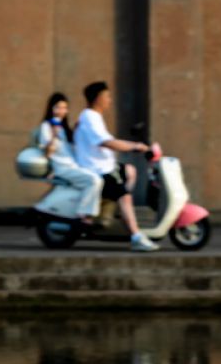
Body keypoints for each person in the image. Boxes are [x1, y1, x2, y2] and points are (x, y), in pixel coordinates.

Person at [72, 81, 158, 252]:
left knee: (130, 171)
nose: (110, 100)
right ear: (98, 98)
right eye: (107, 96)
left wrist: (137, 145)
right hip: (98, 170)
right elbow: (106, 142)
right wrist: (134, 146)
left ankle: (115, 208)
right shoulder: (90, 117)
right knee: (125, 195)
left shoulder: (93, 117)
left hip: (105, 166)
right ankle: (135, 236)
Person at [36, 93, 103, 224]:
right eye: (58, 107)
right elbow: (47, 153)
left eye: (64, 108)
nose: (61, 111)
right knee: (94, 180)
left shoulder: (64, 128)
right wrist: (54, 136)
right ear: (51, 108)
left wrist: (76, 129)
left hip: (74, 166)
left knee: (99, 176)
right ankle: (83, 213)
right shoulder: (46, 126)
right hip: (62, 168)